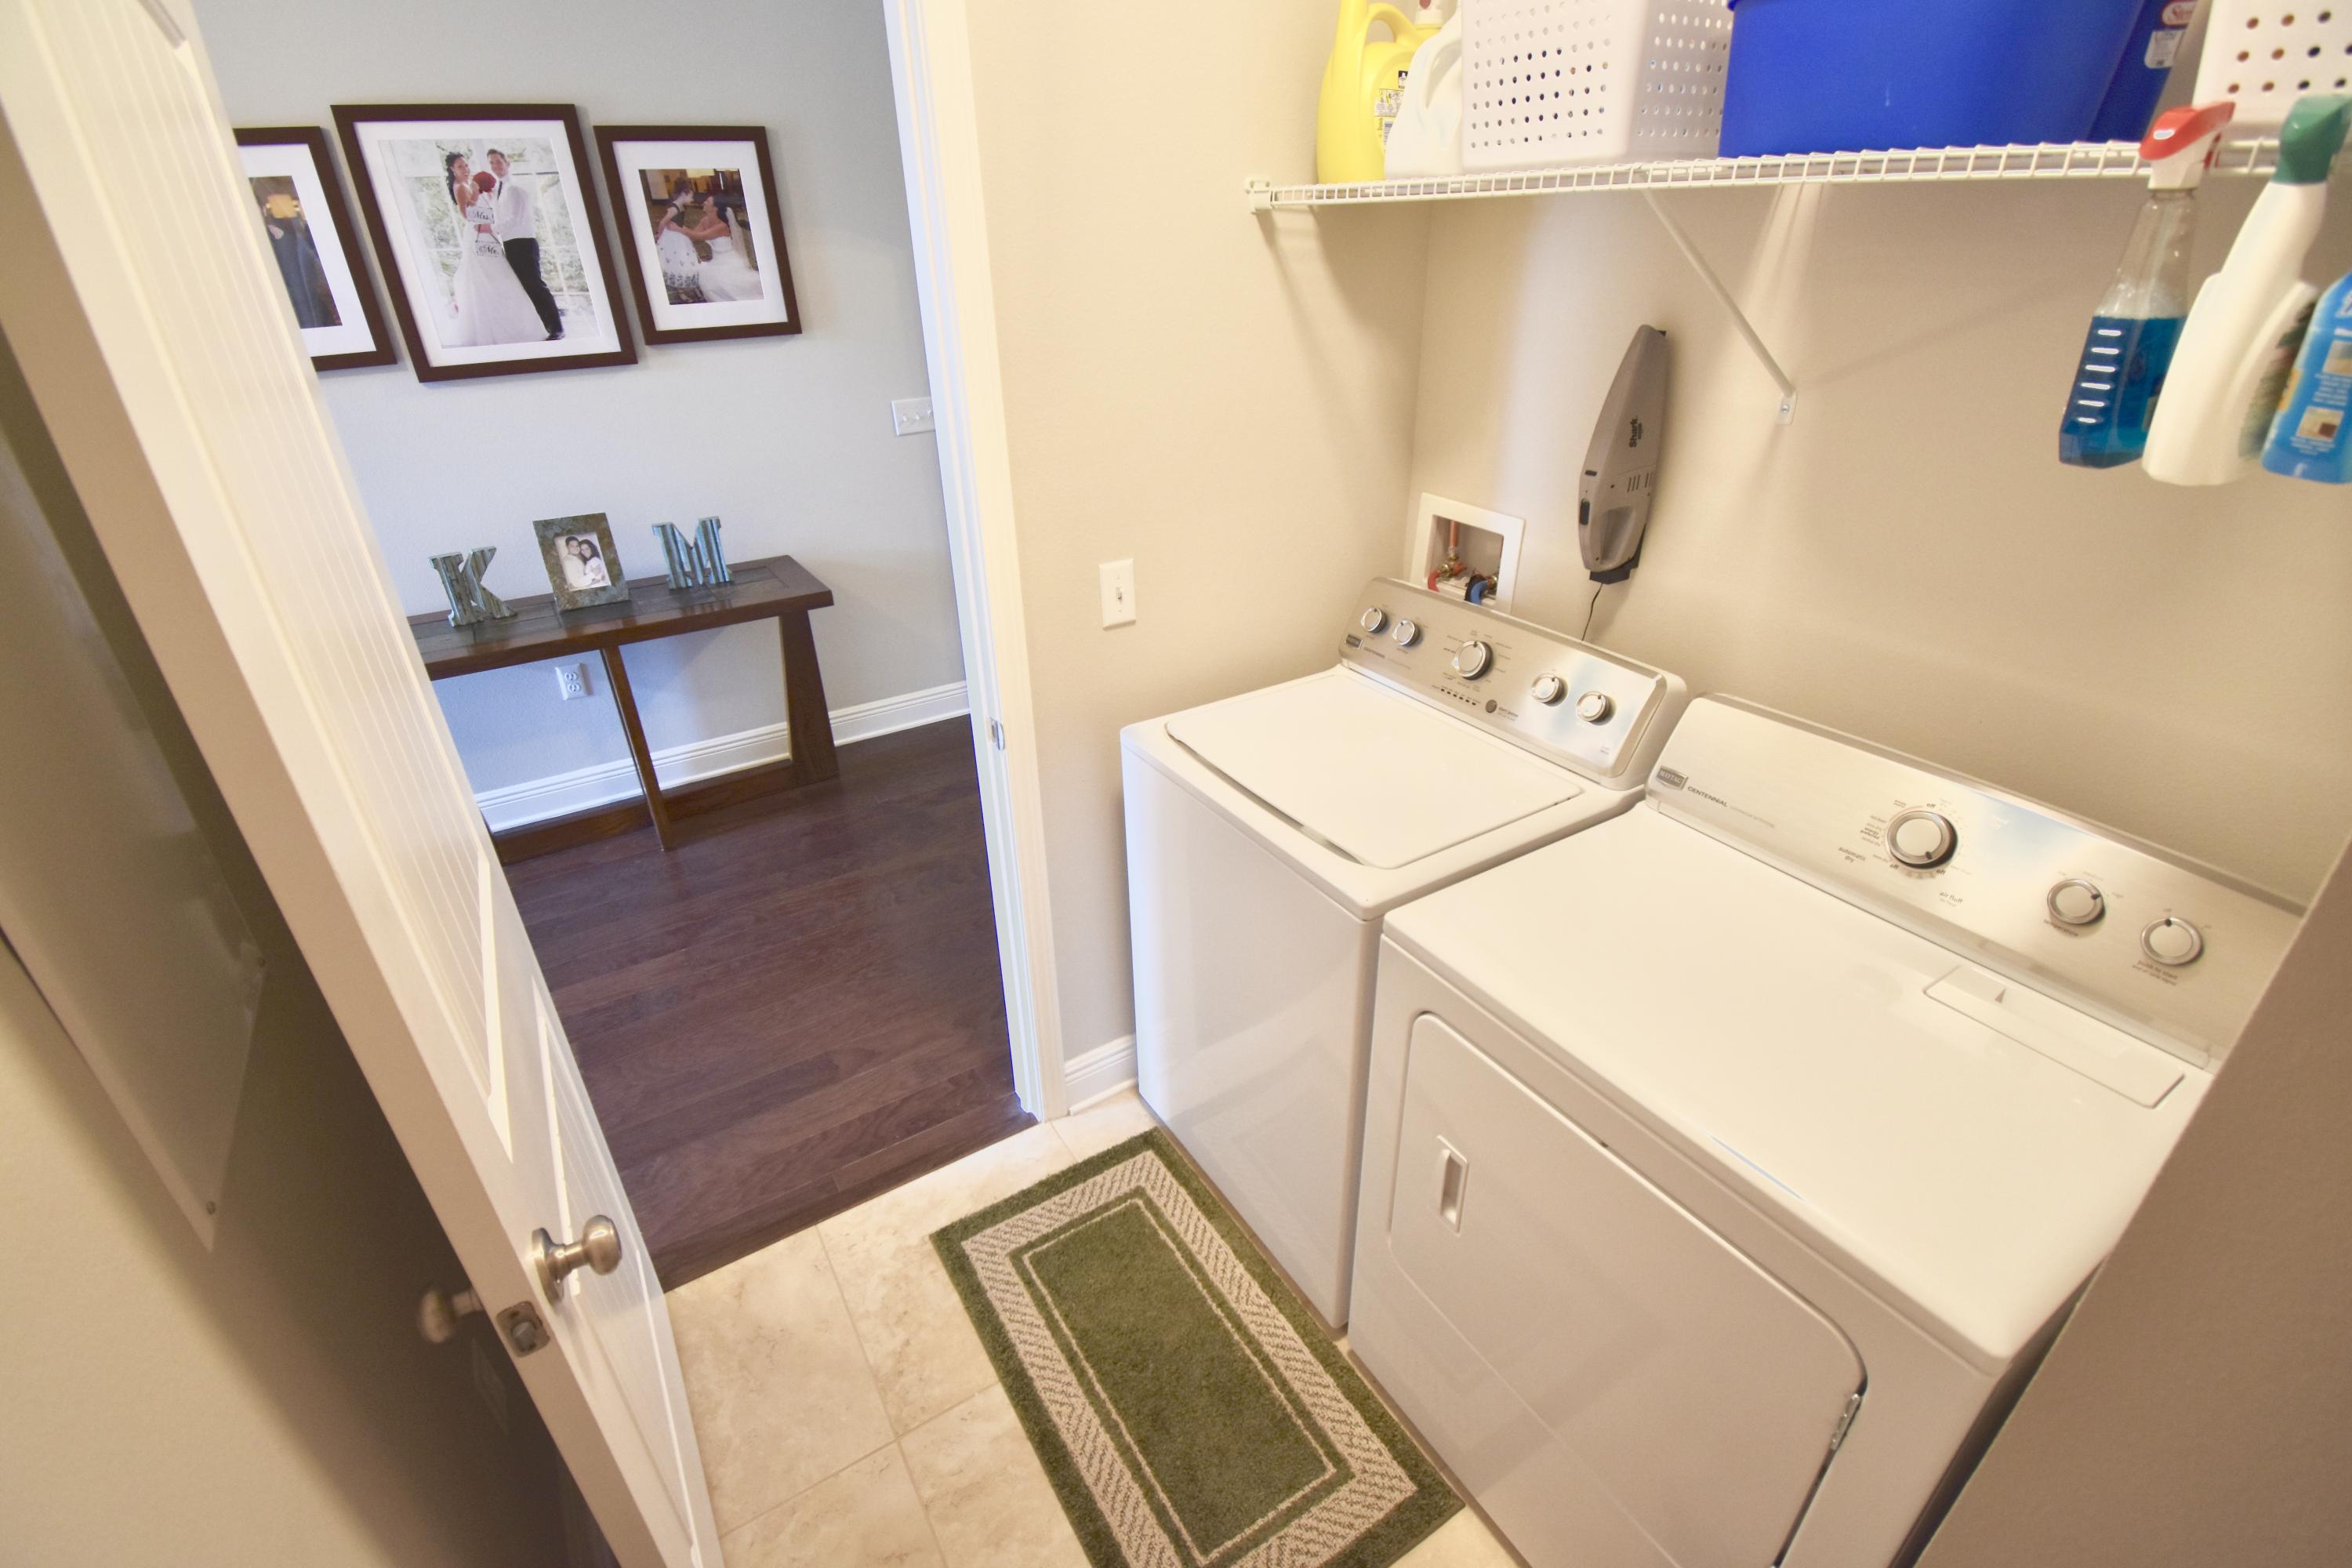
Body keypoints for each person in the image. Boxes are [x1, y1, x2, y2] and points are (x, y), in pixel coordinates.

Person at [443, 153, 546, 348]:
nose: (465, 169)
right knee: (488, 276)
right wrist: (475, 192)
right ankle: (493, 327)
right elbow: (468, 215)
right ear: (452, 170)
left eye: (466, 165)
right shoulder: (461, 187)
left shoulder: (472, 185)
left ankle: (516, 325)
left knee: (499, 275)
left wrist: (484, 195)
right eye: (460, 166)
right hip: (476, 234)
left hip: (487, 232)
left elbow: (487, 212)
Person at [486, 148, 563, 340]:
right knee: (526, 287)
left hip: (524, 243)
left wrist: (491, 228)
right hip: (511, 244)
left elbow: (515, 219)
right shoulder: (499, 189)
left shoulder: (515, 188)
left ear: (507, 163)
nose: (496, 166)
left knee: (535, 285)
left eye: (498, 162)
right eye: (492, 163)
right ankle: (545, 326)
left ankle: (557, 328)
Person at [677, 194, 761, 302]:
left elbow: (699, 237)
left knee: (725, 285)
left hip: (729, 261)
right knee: (708, 280)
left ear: (715, 208)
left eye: (707, 202)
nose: (704, 203)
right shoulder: (704, 221)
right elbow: (693, 236)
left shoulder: (722, 226)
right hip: (716, 261)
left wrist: (678, 228)